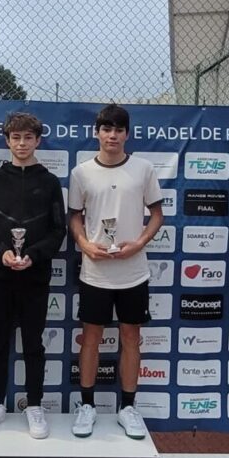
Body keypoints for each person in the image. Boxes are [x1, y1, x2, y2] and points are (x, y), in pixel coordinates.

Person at [68, 104, 164, 439]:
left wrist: (139, 243)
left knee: (131, 337)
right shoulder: (81, 172)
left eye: (118, 130)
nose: (112, 135)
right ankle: (87, 406)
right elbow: (74, 216)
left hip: (133, 272)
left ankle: (128, 408)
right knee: (91, 338)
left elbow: (157, 215)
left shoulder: (143, 169)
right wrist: (83, 243)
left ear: (127, 134)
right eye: (106, 129)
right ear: (97, 133)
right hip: (95, 272)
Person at [0, 111, 66, 439]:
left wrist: (33, 255)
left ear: (38, 141)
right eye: (16, 138)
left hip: (35, 277)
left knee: (33, 344)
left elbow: (58, 230)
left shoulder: (50, 182)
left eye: (28, 138)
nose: (22, 143)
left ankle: (35, 405)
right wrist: (1, 253)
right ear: (7, 141)